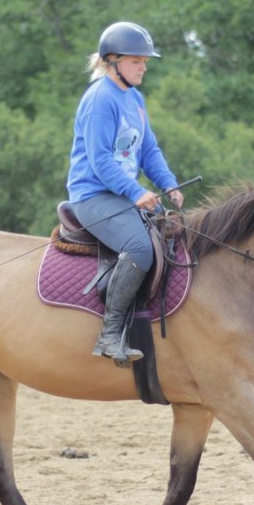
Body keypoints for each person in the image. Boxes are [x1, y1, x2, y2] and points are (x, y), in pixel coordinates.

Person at [66, 21, 185, 367]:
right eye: (137, 61)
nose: (144, 68)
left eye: (145, 62)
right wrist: (135, 191)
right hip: (93, 196)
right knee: (138, 247)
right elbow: (100, 159)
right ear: (113, 60)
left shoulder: (135, 98)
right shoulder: (100, 99)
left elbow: (149, 151)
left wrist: (169, 183)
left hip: (121, 195)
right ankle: (111, 334)